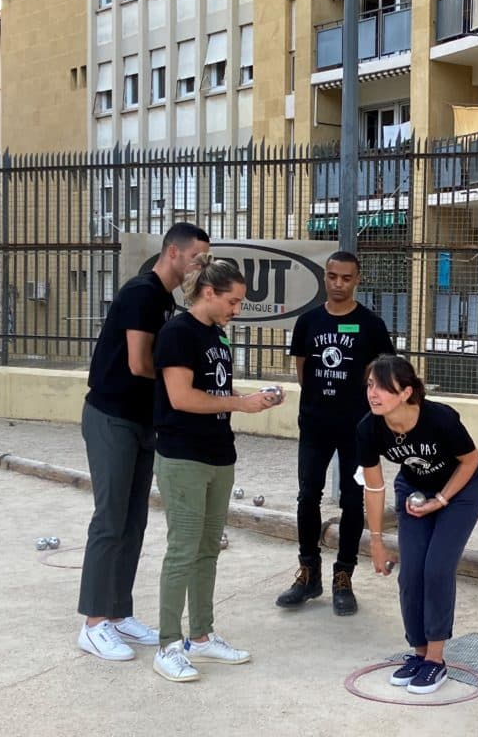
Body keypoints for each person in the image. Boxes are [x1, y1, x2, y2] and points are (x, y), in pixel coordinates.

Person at [76, 222, 210, 662]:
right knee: (110, 519)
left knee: (135, 521)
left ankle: (118, 612)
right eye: (197, 258)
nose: (201, 266)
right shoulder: (142, 292)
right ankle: (93, 623)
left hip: (141, 421)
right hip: (111, 417)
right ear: (173, 252)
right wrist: (181, 380)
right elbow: (138, 363)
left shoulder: (166, 301)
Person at [150, 254, 284, 682]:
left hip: (218, 455)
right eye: (234, 301)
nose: (237, 309)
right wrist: (238, 403)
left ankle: (202, 636)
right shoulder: (177, 333)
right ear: (209, 292)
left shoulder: (216, 336)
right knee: (183, 551)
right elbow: (182, 398)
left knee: (208, 550)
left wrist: (252, 398)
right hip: (182, 456)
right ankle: (168, 644)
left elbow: (217, 390)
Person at [276, 251, 394, 615]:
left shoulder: (371, 325)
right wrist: (319, 402)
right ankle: (308, 573)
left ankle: (344, 577)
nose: (338, 284)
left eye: (346, 278)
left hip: (357, 428)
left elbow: (385, 375)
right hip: (314, 423)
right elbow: (302, 370)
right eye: (332, 277)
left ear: (357, 279)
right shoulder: (308, 322)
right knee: (307, 496)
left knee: (352, 501)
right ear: (324, 278)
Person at [360, 355, 478, 695]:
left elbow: (471, 461)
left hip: (460, 491)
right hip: (414, 489)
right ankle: (418, 652)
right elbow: (374, 486)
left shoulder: (439, 418)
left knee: (437, 568)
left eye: (383, 387)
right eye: (371, 384)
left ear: (406, 392)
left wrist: (441, 500)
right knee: (411, 572)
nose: (374, 393)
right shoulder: (369, 428)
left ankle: (435, 659)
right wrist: (376, 542)